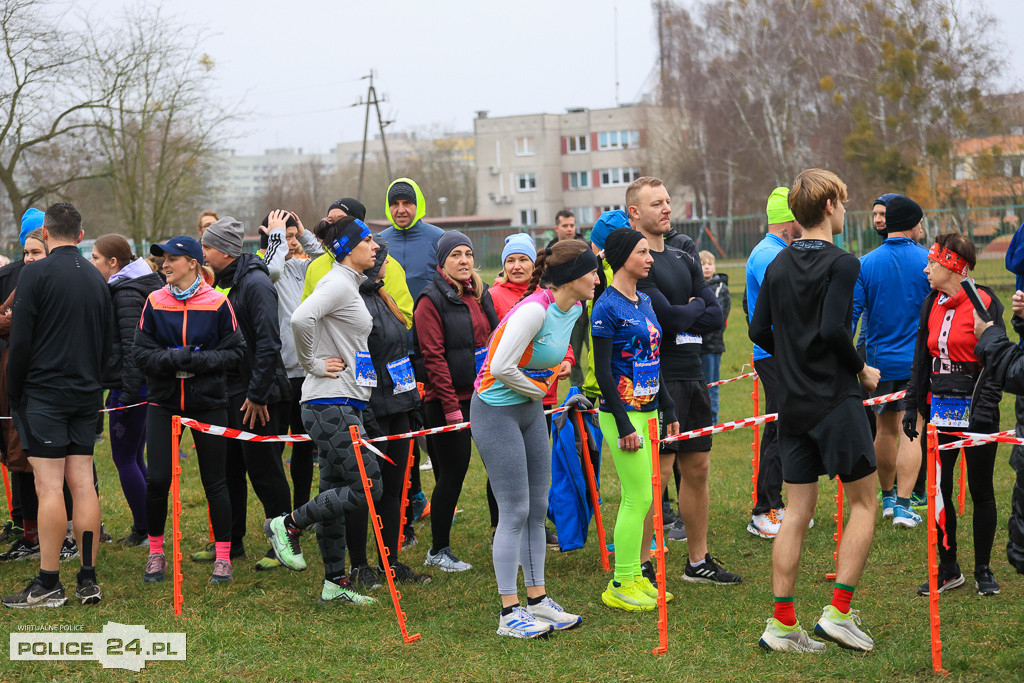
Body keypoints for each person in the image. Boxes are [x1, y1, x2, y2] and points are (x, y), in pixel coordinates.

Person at [750, 168, 880, 653]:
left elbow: (758, 329)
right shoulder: (844, 263)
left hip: (794, 405)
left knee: (796, 513)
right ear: (828, 207)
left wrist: (792, 356)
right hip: (835, 400)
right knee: (865, 504)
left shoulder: (779, 263)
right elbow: (831, 330)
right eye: (843, 203)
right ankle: (838, 614)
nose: (846, 211)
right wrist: (861, 370)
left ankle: (782, 625)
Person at [473, 239, 598, 637]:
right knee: (514, 509)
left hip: (529, 408)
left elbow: (551, 353)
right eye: (591, 271)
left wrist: (559, 365)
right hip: (495, 410)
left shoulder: (575, 308)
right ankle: (509, 614)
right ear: (570, 278)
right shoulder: (532, 311)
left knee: (537, 506)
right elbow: (499, 365)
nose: (597, 277)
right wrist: (538, 388)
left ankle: (538, 602)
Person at [264, 216, 383, 606]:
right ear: (349, 248)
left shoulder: (349, 282)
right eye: (368, 240)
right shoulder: (336, 282)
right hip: (328, 401)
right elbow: (300, 318)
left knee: (334, 490)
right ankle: (288, 525)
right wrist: (312, 363)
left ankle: (335, 583)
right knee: (369, 484)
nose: (375, 246)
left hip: (343, 400)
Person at [2, 203, 112, 608]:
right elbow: (108, 342)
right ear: (81, 236)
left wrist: (16, 392)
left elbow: (22, 340)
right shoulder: (98, 279)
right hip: (85, 393)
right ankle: (88, 577)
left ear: (45, 234)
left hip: (45, 393)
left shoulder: (34, 273)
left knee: (49, 485)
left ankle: (49, 582)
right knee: (82, 482)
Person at [629, 176, 737, 588]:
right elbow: (668, 319)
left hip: (693, 375)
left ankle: (697, 561)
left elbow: (714, 316)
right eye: (657, 203)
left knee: (699, 467)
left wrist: (684, 312)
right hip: (658, 376)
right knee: (657, 473)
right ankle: (640, 565)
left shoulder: (685, 257)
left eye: (668, 201)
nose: (667, 209)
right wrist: (687, 312)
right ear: (636, 213)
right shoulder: (636, 263)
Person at [134, 236, 244, 584]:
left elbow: (237, 353)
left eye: (171, 259)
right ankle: (155, 553)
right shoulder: (154, 301)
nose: (164, 265)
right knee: (157, 479)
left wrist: (198, 361)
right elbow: (139, 355)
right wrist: (171, 359)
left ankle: (223, 557)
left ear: (193, 264)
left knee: (216, 481)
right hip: (164, 402)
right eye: (162, 259)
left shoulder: (217, 303)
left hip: (208, 402)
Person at [903, 232, 1004, 597]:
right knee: (940, 490)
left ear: (952, 266)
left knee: (981, 489)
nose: (926, 269)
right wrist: (913, 407)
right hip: (941, 410)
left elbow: (997, 362)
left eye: (932, 263)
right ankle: (948, 569)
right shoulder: (931, 301)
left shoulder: (985, 302)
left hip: (977, 411)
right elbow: (921, 358)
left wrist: (984, 409)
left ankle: (983, 570)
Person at [592, 227, 679, 611]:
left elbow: (652, 360)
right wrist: (625, 424)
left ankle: (633, 577)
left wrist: (668, 405)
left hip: (647, 409)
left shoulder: (644, 300)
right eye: (643, 252)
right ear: (623, 256)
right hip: (620, 414)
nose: (650, 258)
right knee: (639, 495)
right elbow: (603, 372)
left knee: (643, 497)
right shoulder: (605, 306)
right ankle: (620, 582)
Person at [200, 217, 293, 569]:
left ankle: (284, 544)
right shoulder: (228, 282)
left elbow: (270, 343)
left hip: (261, 395)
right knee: (230, 469)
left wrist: (257, 394)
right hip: (233, 391)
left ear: (224, 250)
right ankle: (230, 541)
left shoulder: (255, 283)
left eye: (207, 246)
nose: (203, 252)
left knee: (265, 470)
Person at [412, 231, 498, 572]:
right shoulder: (430, 301)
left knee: (498, 468)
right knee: (452, 474)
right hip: (446, 403)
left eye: (468, 254)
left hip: (484, 396)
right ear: (442, 262)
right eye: (455, 256)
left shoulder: (479, 293)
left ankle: (500, 534)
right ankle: (438, 550)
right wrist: (450, 407)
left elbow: (494, 339)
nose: (464, 261)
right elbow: (433, 358)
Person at [348, 241, 430, 589]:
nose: (384, 262)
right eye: (379, 257)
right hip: (369, 409)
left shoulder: (383, 295)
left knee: (395, 491)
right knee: (363, 489)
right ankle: (359, 566)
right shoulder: (352, 300)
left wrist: (412, 403)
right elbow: (357, 358)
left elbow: (401, 353)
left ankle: (390, 561)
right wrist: (363, 412)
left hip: (398, 405)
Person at [851, 194, 931, 528]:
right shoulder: (929, 260)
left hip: (878, 364)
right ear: (913, 224)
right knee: (911, 431)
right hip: (918, 362)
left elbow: (851, 316)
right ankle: (903, 505)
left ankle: (885, 499)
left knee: (884, 430)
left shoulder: (865, 263)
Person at [488, 233, 572, 547]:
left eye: (523, 259)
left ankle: (533, 527)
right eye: (510, 260)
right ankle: (502, 528)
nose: (517, 266)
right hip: (508, 393)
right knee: (506, 466)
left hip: (544, 394)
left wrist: (566, 359)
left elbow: (559, 334)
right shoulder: (495, 297)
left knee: (536, 465)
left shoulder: (547, 295)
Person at [91, 234, 164, 547]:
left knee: (124, 459)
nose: (91, 263)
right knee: (134, 456)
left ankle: (145, 529)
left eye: (95, 257)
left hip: (132, 389)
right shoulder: (139, 284)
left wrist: (128, 395)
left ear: (113, 262)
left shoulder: (126, 293)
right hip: (136, 387)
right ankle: (148, 527)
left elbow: (135, 346)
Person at [745, 187, 804, 539]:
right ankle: (763, 509)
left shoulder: (777, 250)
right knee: (778, 428)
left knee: (785, 426)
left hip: (781, 351)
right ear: (791, 221)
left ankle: (776, 503)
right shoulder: (769, 255)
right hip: (773, 352)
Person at [260, 209, 323, 511]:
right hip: (278, 375)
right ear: (271, 239)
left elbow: (329, 262)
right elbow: (272, 270)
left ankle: (300, 507)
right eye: (285, 238)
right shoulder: (262, 270)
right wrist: (277, 238)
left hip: (307, 374)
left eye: (294, 237)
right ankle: (279, 512)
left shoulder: (303, 268)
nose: (292, 243)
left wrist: (304, 232)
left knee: (303, 445)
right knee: (273, 448)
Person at [0, 227, 47, 562]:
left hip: (45, 385)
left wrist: (17, 323)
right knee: (20, 460)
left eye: (36, 252)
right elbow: (3, 318)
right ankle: (30, 534)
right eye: (26, 252)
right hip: (17, 385)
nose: (29, 258)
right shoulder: (21, 283)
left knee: (50, 469)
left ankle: (57, 537)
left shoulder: (55, 284)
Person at [378, 178, 445, 301]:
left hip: (429, 316)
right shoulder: (378, 243)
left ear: (417, 205)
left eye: (407, 203)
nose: (401, 210)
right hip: (390, 317)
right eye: (395, 204)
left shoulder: (439, 238)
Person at [699, 250, 730, 424]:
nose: (707, 268)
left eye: (710, 264)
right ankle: (698, 419)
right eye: (703, 264)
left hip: (712, 345)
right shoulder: (694, 286)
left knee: (712, 385)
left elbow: (718, 317)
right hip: (696, 345)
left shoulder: (721, 289)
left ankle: (712, 419)